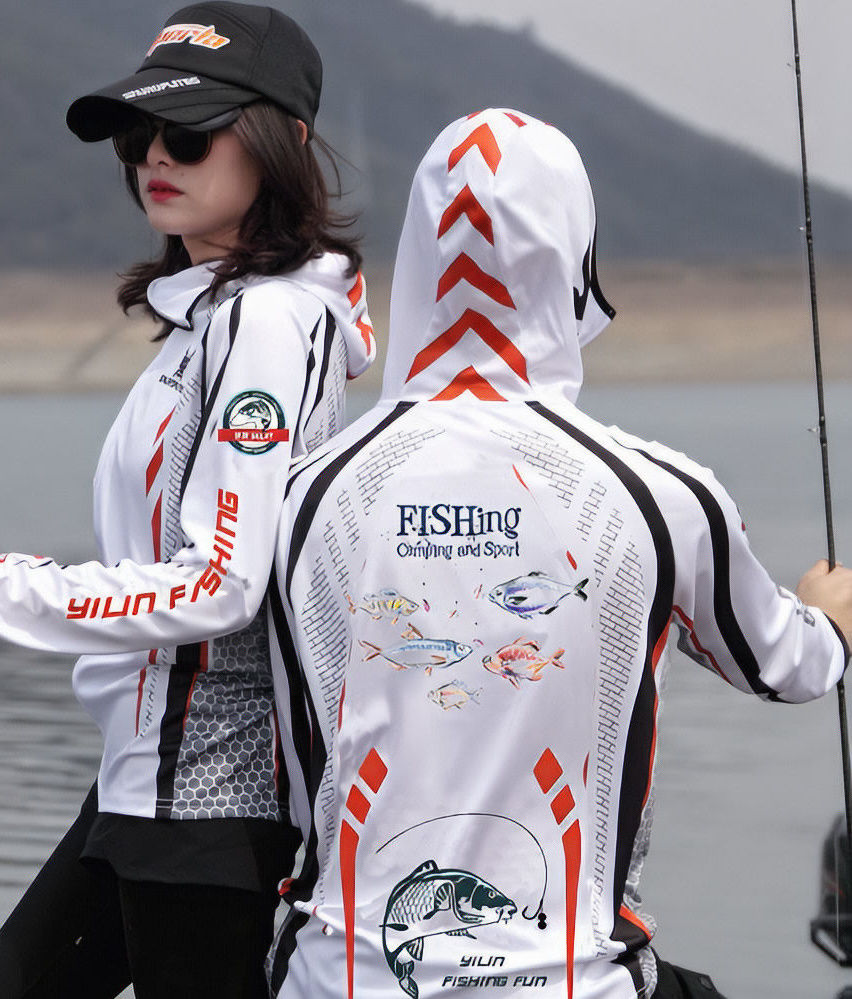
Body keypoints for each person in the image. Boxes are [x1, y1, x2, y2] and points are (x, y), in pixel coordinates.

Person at [265, 108, 852, 999]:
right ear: (575, 261)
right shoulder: (661, 494)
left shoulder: (301, 494)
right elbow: (787, 666)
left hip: (332, 980)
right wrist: (832, 620)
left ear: (415, 256)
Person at [0, 4, 375, 997]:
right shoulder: (213, 320)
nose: (153, 157)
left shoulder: (267, 323)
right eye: (137, 135)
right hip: (143, 782)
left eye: (189, 134)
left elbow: (222, 585)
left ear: (283, 143)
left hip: (208, 800)